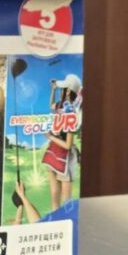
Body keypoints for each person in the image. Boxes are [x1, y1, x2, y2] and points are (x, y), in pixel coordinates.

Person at [42, 74, 82, 211]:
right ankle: (55, 220)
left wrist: (50, 137)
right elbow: (51, 105)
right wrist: (53, 90)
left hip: (65, 157)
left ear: (69, 91)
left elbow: (68, 145)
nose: (60, 91)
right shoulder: (60, 106)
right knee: (54, 196)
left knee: (66, 202)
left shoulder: (72, 112)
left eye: (62, 89)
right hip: (54, 152)